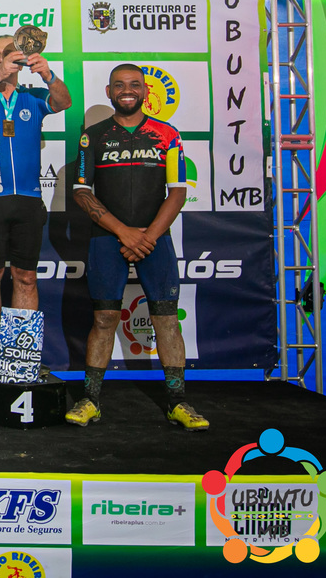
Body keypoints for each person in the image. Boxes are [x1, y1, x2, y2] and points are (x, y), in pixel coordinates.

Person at [68, 63, 208, 430]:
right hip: (107, 238)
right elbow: (81, 192)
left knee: (166, 319)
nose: (126, 90)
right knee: (104, 318)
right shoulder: (92, 136)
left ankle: (177, 401)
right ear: (109, 92)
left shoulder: (167, 134)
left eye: (134, 84)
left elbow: (178, 192)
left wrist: (147, 237)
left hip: (154, 239)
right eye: (119, 85)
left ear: (145, 92)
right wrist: (124, 233)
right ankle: (90, 399)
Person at [0, 34, 71, 376]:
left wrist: (48, 74)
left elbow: (64, 101)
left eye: (9, 54)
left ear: (23, 59)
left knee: (25, 277)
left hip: (28, 201)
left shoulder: (33, 98)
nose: (2, 59)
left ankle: (21, 350)